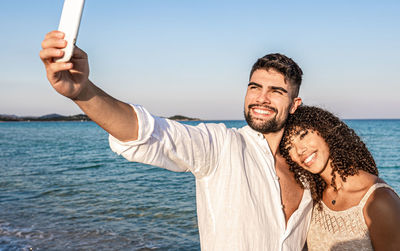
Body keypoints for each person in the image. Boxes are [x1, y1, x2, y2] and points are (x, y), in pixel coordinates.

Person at [39, 30, 313, 250]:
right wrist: (82, 91)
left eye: (276, 91)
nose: (261, 98)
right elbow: (149, 133)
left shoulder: (308, 170)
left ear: (294, 104)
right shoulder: (221, 146)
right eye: (255, 87)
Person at [279, 105, 400, 251]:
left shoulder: (379, 200)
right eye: (289, 147)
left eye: (303, 135)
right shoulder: (313, 198)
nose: (299, 150)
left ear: (323, 130)